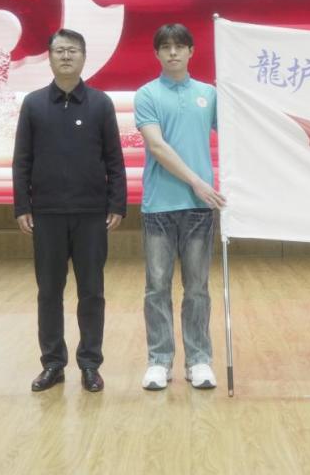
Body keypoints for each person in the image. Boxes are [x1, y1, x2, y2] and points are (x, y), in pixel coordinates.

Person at [12, 29, 126, 393]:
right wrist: (22, 205)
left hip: (92, 214)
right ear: (49, 57)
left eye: (72, 51)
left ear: (83, 57)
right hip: (46, 214)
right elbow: (22, 160)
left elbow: (114, 159)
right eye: (59, 50)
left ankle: (90, 364)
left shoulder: (100, 104)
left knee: (92, 292)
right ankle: (53, 364)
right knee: (49, 291)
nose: (65, 56)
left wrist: (117, 204)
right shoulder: (33, 104)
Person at [134, 23, 226, 391]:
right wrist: (198, 182)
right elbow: (157, 146)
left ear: (191, 51)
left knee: (197, 288)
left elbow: (235, 135)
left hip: (199, 209)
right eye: (166, 47)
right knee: (157, 287)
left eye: (179, 46)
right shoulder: (147, 94)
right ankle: (159, 361)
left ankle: (199, 360)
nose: (173, 52)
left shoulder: (209, 94)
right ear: (157, 53)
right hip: (159, 206)